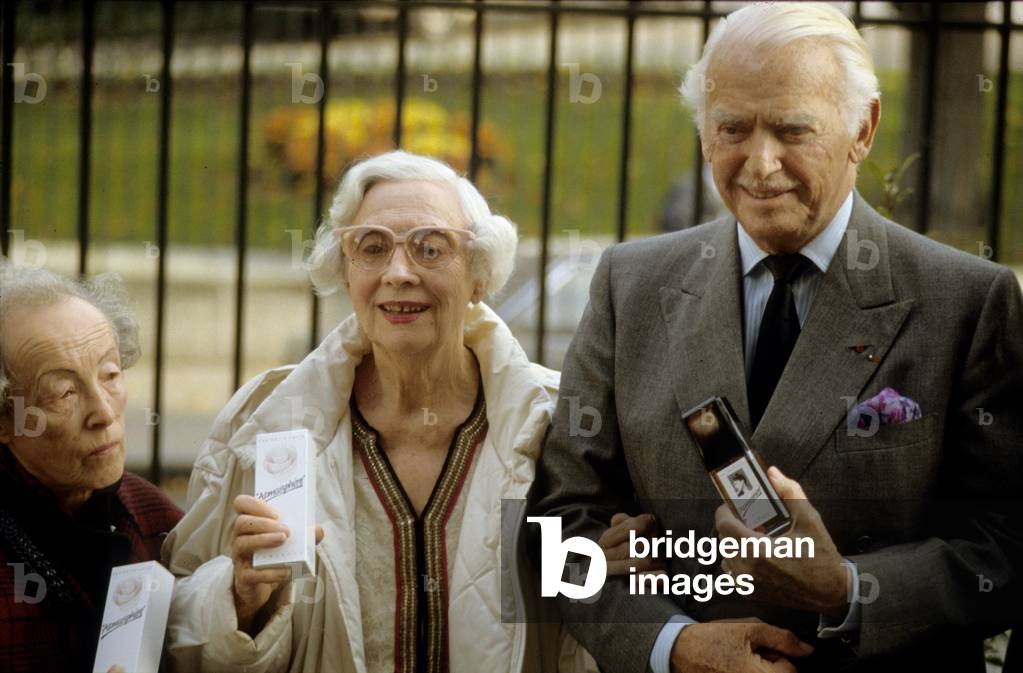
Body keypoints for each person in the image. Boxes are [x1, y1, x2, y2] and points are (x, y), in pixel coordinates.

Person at [529, 3, 1023, 673]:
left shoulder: (965, 302)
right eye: (732, 128)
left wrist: (846, 588)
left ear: (862, 129)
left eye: (793, 130)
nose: (760, 165)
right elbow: (557, 524)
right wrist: (670, 643)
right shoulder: (629, 285)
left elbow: (1003, 547)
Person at [161, 150, 649, 673]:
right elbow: (177, 620)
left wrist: (601, 580)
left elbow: (601, 621)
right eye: (371, 248)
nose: (398, 273)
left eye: (430, 248)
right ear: (345, 272)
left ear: (479, 276)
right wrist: (239, 597)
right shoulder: (262, 423)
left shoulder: (557, 423)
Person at [0, 263, 183, 673]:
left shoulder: (154, 517)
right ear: (4, 420)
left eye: (110, 374)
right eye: (63, 393)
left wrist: (243, 602)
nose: (103, 412)